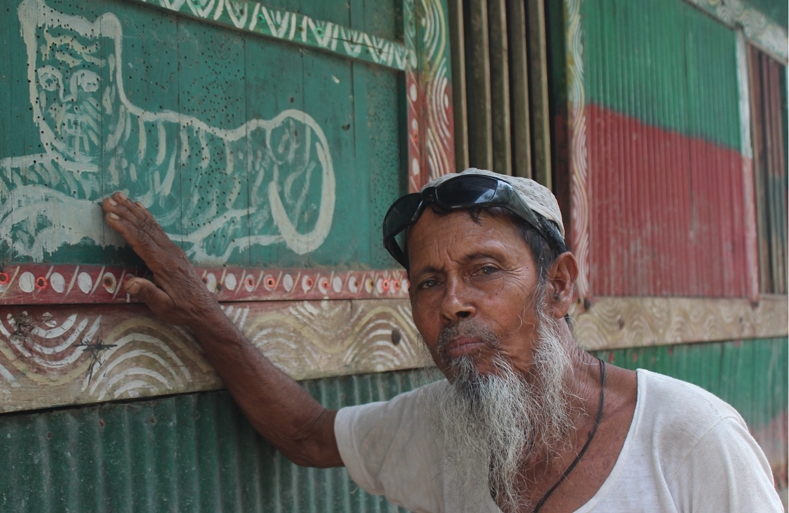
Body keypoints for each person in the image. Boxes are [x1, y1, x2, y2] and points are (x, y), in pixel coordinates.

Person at [101, 168, 782, 512]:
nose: (452, 303)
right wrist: (204, 316)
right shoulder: (439, 428)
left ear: (559, 286)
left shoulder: (689, 438)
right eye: (428, 283)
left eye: (484, 270)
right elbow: (306, 434)